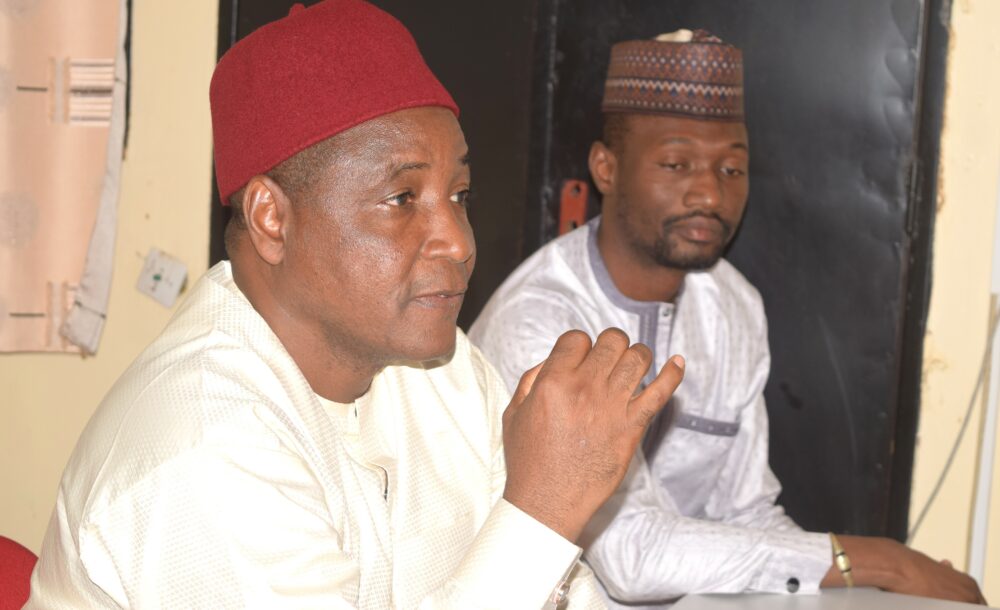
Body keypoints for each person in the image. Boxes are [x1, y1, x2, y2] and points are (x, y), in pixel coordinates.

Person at [25, 2, 687, 607]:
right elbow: (531, 540)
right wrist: (542, 509)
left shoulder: (443, 372)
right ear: (272, 218)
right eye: (402, 200)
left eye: (459, 195)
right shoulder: (200, 442)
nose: (458, 242)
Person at [469, 30, 985, 607]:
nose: (710, 195)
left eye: (732, 170)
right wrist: (875, 561)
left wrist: (852, 581)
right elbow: (631, 558)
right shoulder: (541, 321)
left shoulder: (732, 304)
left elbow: (747, 512)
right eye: (676, 164)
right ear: (606, 169)